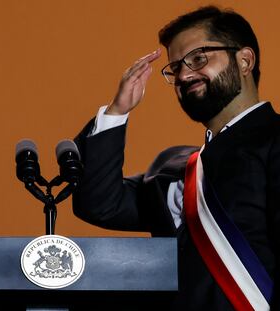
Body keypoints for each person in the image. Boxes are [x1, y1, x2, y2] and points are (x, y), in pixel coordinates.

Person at [73, 5, 279, 310]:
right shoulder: (179, 168)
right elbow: (99, 203)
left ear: (245, 60)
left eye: (199, 58)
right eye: (175, 68)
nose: (184, 74)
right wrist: (117, 111)